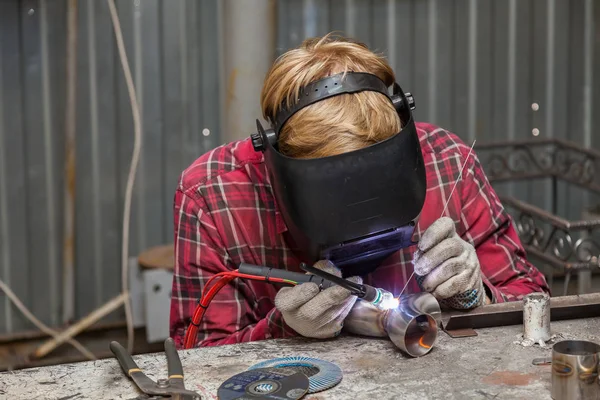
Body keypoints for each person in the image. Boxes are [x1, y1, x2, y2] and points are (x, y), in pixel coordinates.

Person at [169, 33, 550, 349]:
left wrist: (476, 296)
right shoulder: (210, 196)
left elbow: (531, 298)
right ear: (279, 168)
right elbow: (195, 359)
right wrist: (282, 330)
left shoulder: (447, 161)